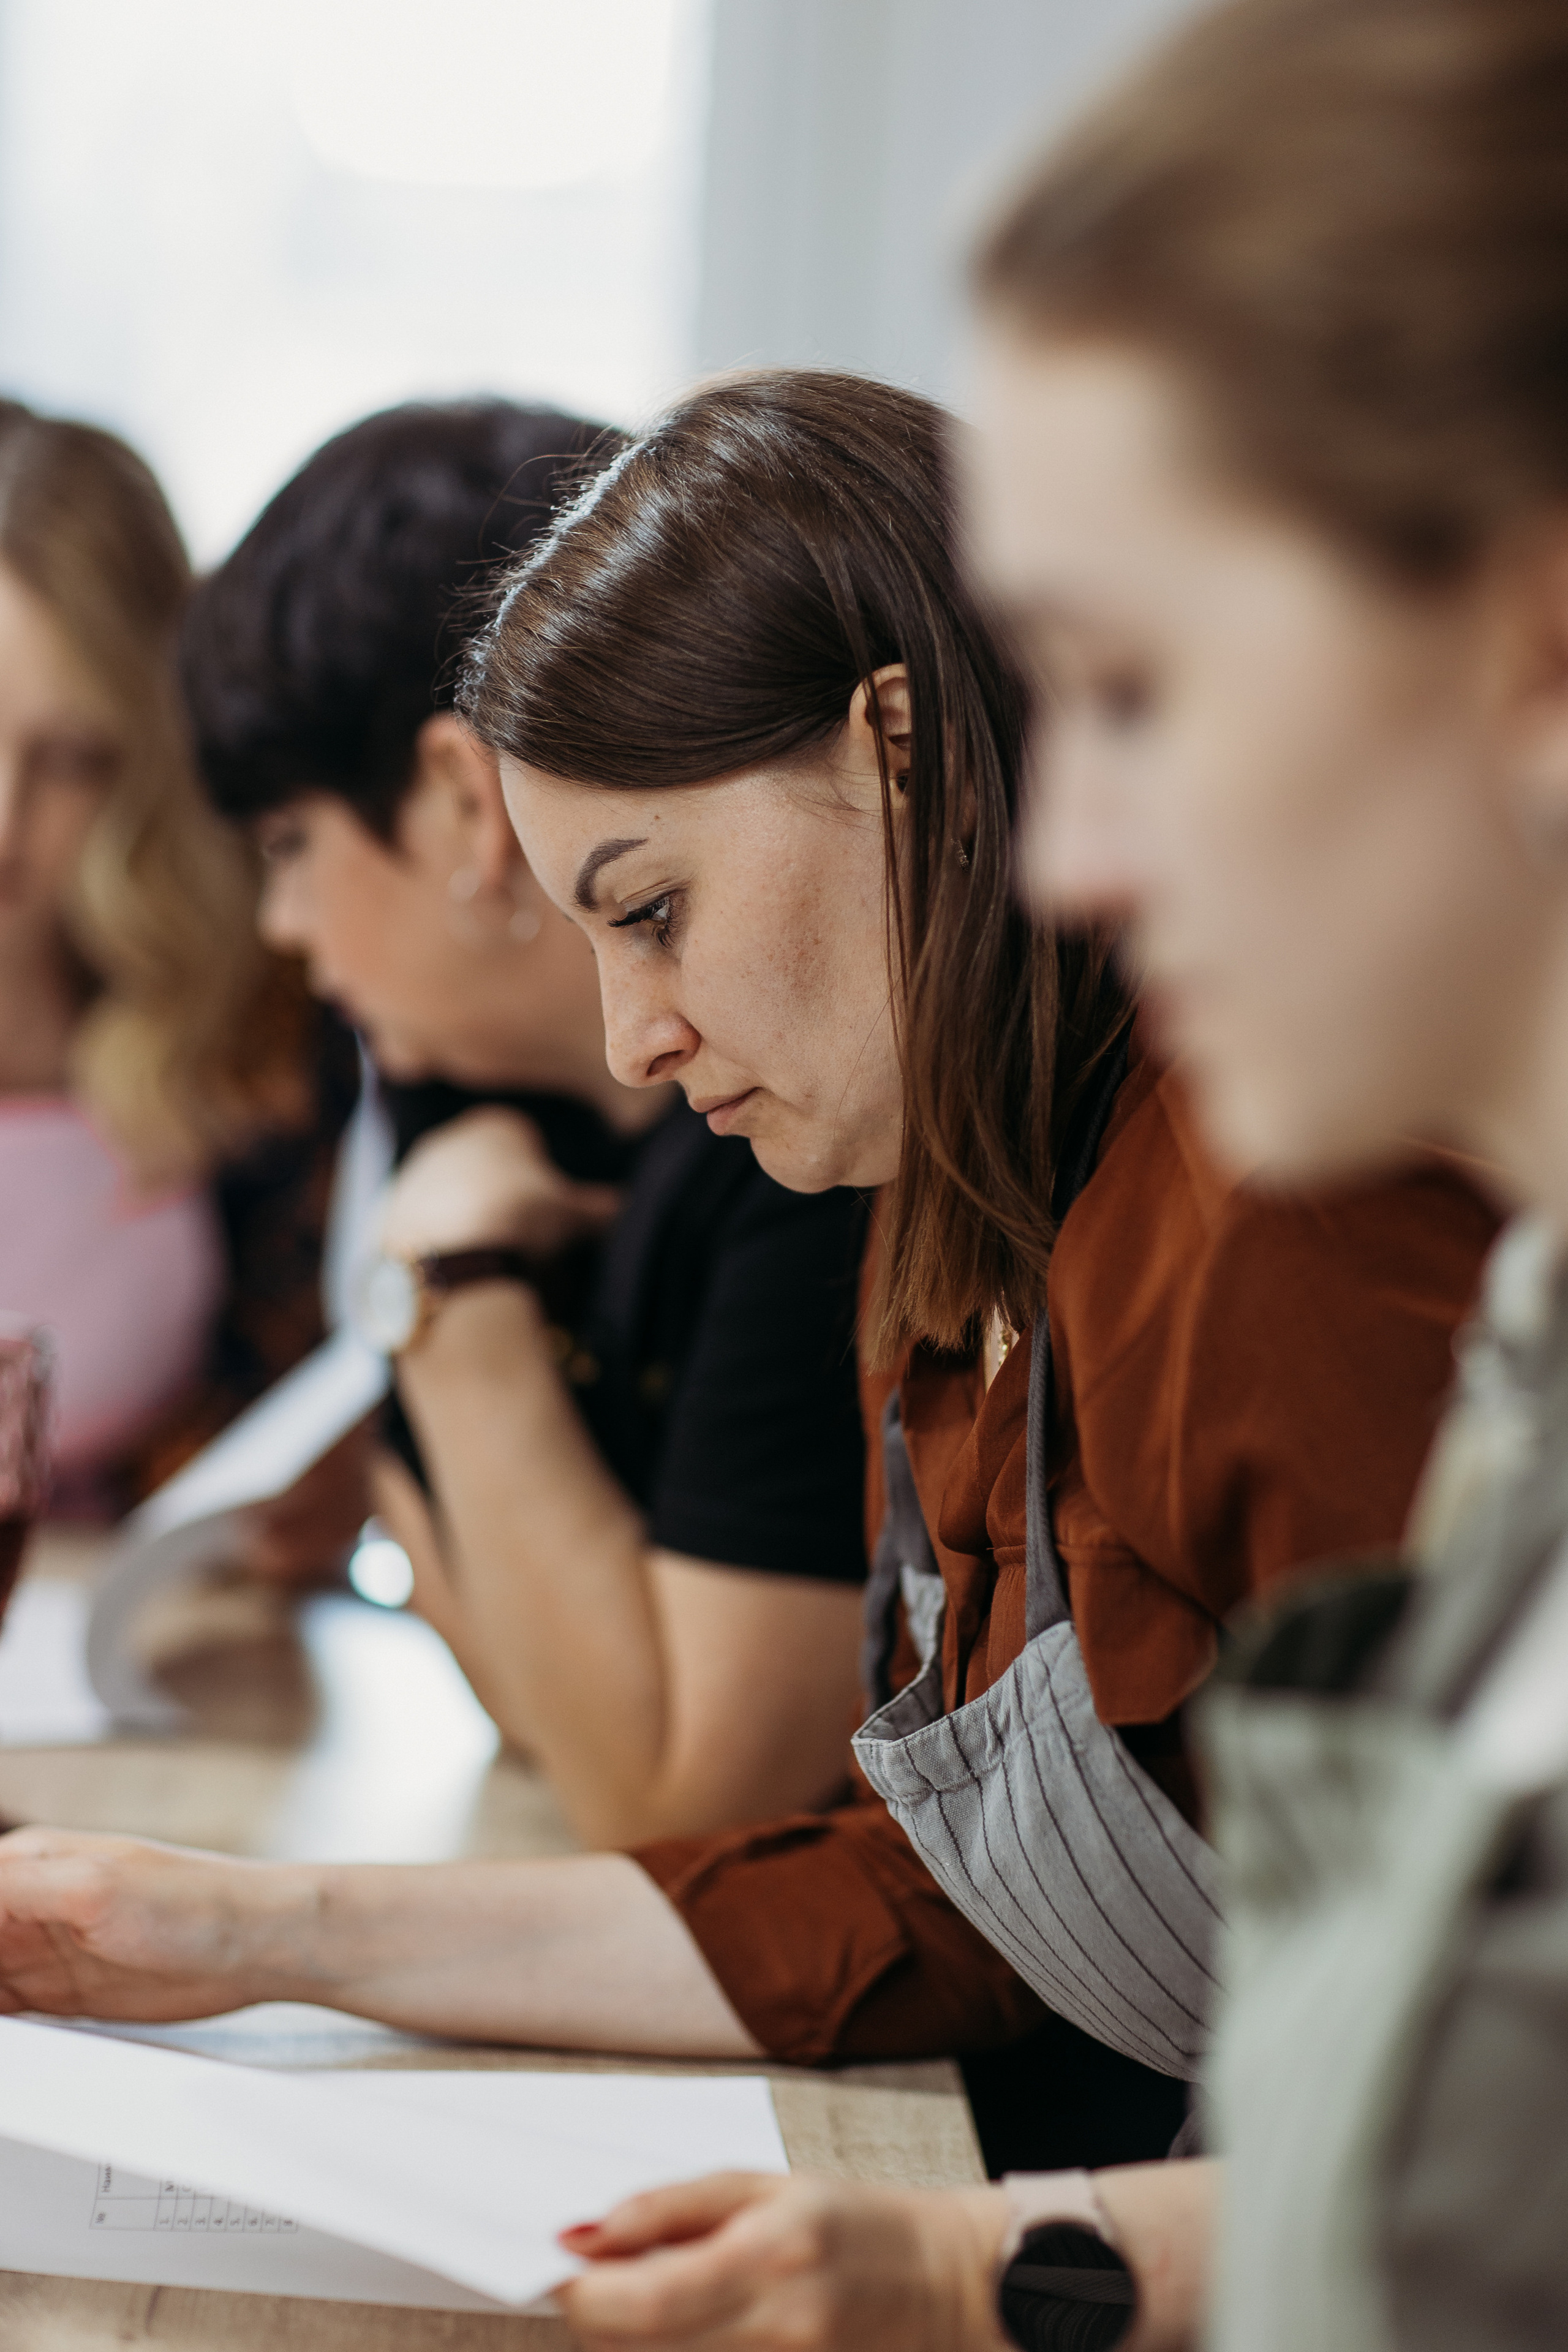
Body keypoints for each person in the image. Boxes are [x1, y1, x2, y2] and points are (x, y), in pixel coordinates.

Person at [0, 373, 1491, 2200]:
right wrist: (244, 1932)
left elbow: (1503, 2074)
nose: (631, 1041)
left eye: (652, 912)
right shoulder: (938, 1232)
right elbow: (933, 1905)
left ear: (900, 754)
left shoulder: (1268, 1220)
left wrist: (990, 2277)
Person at [551, 1, 1568, 2345]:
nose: (1075, 849)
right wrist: (970, 2264)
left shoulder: (1271, 1225)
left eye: (1134, 685)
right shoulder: (1514, 1361)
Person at [181, 399, 873, 1846]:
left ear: (458, 801)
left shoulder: (813, 1113)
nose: (282, 926)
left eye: (291, 845)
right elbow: (530, 1704)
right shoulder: (461, 1096)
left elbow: (678, 1804)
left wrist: (451, 1297)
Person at [0, 399, 305, 1514]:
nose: (4, 825)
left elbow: (285, 1446)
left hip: (141, 1618)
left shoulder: (246, 1007)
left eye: (72, 759)